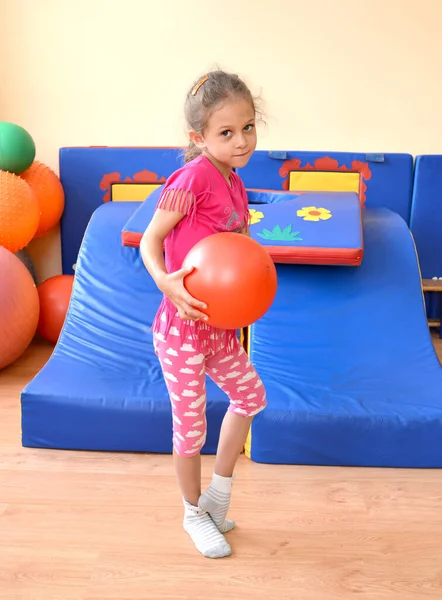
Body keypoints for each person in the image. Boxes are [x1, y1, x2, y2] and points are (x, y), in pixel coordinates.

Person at [140, 70, 267, 559]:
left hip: (219, 328)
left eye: (249, 127)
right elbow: (152, 240)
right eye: (227, 133)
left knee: (250, 397)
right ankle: (193, 513)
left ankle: (217, 496)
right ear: (200, 138)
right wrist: (164, 281)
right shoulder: (191, 178)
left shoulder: (235, 182)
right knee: (190, 428)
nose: (242, 141)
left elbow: (236, 249)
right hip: (182, 331)